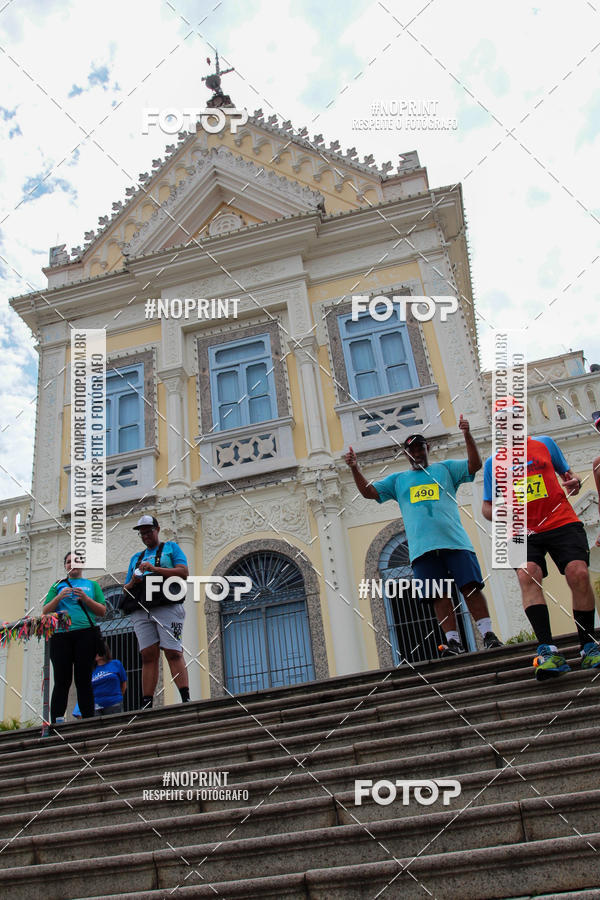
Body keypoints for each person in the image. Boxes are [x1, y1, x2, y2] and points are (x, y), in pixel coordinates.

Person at [345, 416, 502, 657]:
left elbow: (474, 465)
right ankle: (453, 642)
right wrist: (355, 468)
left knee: (470, 587)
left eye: (420, 448)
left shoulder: (445, 469)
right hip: (422, 550)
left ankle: (488, 635)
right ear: (406, 454)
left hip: (455, 542)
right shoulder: (399, 480)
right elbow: (369, 492)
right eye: (412, 450)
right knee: (438, 595)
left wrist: (467, 434)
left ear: (428, 449)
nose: (417, 453)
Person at [482, 398, 600, 680]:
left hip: (561, 521)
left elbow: (570, 478)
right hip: (521, 530)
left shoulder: (546, 443)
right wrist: (504, 512)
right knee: (528, 575)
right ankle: (547, 650)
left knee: (579, 573)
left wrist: (572, 484)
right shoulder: (493, 463)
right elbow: (487, 508)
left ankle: (588, 646)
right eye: (502, 422)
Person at [123, 515, 190, 709]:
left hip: (167, 604)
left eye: (148, 532)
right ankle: (147, 702)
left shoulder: (171, 548)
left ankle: (185, 696)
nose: (145, 536)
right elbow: (126, 587)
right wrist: (134, 580)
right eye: (142, 533)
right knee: (147, 654)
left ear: (157, 529)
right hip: (142, 607)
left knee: (173, 651)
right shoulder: (136, 558)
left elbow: (183, 572)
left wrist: (155, 569)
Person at [43, 552, 107, 723]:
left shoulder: (92, 585)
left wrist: (85, 598)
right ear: (65, 566)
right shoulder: (57, 585)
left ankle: (88, 719)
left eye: (76, 561)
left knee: (83, 678)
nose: (72, 564)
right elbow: (45, 611)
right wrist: (59, 597)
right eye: (69, 561)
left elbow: (102, 610)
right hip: (60, 635)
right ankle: (57, 720)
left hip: (85, 634)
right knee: (62, 680)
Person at [73, 641, 127, 717]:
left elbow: (123, 684)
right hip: (95, 706)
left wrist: (117, 697)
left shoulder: (116, 664)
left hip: (114, 703)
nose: (96, 653)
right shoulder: (90, 670)